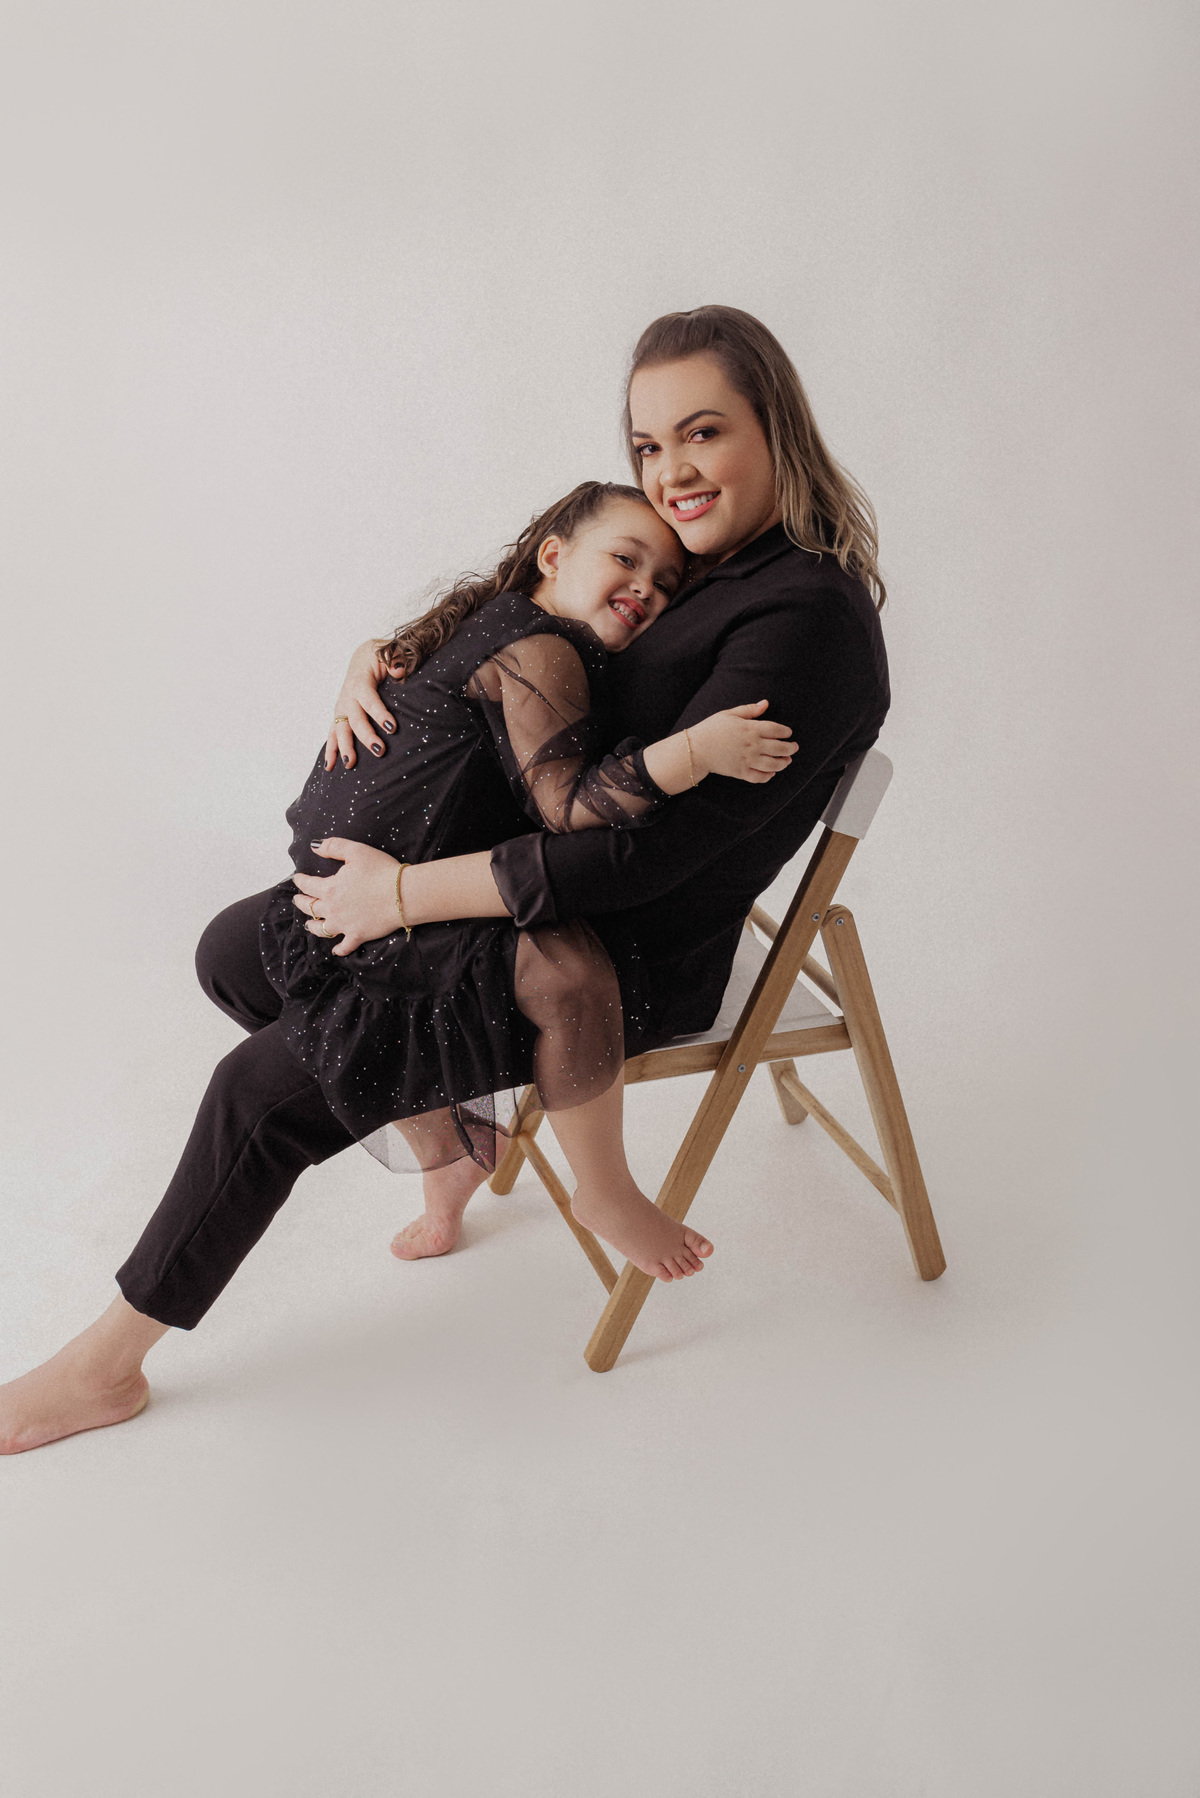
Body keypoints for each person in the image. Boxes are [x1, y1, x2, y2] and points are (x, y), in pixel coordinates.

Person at [0, 473, 794, 1455]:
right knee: (229, 955)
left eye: (666, 583)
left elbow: (572, 807)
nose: (646, 587)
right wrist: (367, 661)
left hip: (431, 934)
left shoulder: (551, 651)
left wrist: (697, 751)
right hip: (362, 907)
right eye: (626, 559)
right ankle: (448, 1147)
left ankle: (107, 1367)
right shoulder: (506, 626)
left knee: (252, 1097)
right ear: (553, 555)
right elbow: (436, 696)